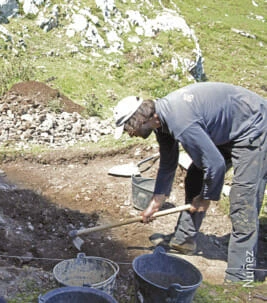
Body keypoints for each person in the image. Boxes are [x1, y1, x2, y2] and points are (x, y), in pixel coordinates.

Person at [113, 82, 266, 282]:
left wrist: (205, 198)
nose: (129, 134)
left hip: (255, 128)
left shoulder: (180, 121)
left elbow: (216, 165)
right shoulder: (160, 120)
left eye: (128, 129)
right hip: (228, 130)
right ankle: (184, 240)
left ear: (139, 120)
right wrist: (156, 202)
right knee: (195, 175)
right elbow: (168, 163)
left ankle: (241, 275)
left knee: (243, 203)